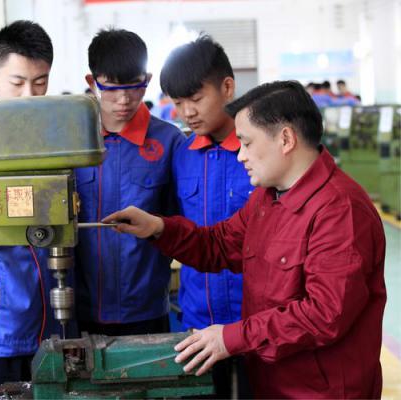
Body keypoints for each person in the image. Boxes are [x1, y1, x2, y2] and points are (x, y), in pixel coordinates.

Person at [103, 80, 386, 398]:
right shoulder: (268, 198)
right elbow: (220, 244)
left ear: (286, 139)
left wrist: (231, 338)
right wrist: (157, 227)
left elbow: (324, 315)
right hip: (272, 383)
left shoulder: (341, 212)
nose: (241, 156)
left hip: (321, 392)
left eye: (247, 143)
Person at [0, 20, 75, 387]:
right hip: (0, 333)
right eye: (17, 83)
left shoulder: (61, 142)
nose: (30, 94)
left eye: (40, 82)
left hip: (59, 324)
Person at [159, 34, 254, 398]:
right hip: (198, 322)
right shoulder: (182, 156)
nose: (187, 112)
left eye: (196, 99)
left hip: (256, 322)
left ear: (227, 87)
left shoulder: (258, 151)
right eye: (178, 102)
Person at [74, 28, 185, 336]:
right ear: (92, 82)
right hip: (79, 310)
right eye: (111, 88)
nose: (123, 99)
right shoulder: (72, 142)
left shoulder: (170, 142)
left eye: (134, 86)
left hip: (147, 309)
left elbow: (184, 226)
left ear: (147, 80)